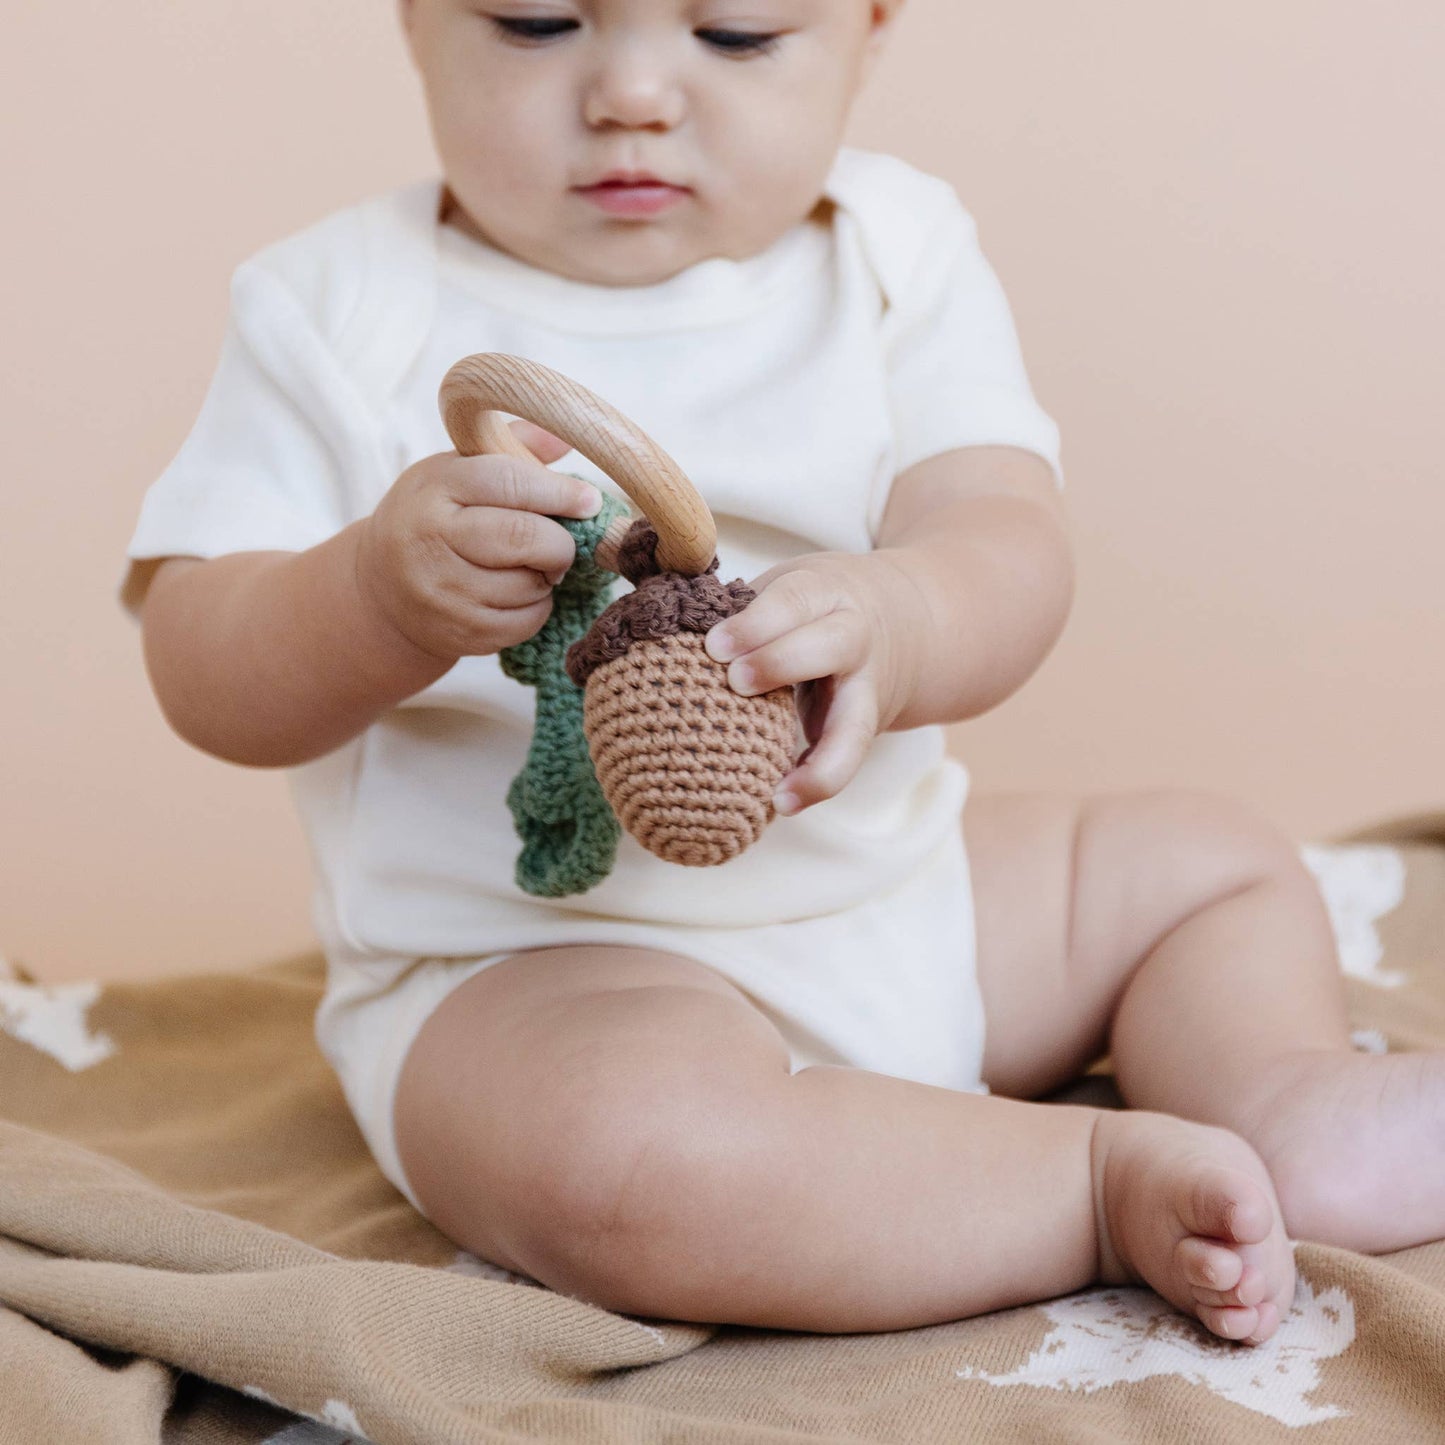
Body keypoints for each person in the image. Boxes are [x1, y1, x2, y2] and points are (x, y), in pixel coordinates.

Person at [119, 0, 1445, 1347]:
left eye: (737, 33)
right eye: (535, 22)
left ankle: (1279, 1092)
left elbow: (1008, 537)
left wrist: (905, 610)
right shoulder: (337, 304)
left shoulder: (892, 251)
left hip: (907, 895)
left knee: (1204, 860)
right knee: (620, 1164)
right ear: (412, 19)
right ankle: (1086, 1187)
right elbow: (201, 656)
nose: (632, 91)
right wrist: (367, 596)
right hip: (533, 975)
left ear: (871, 29)